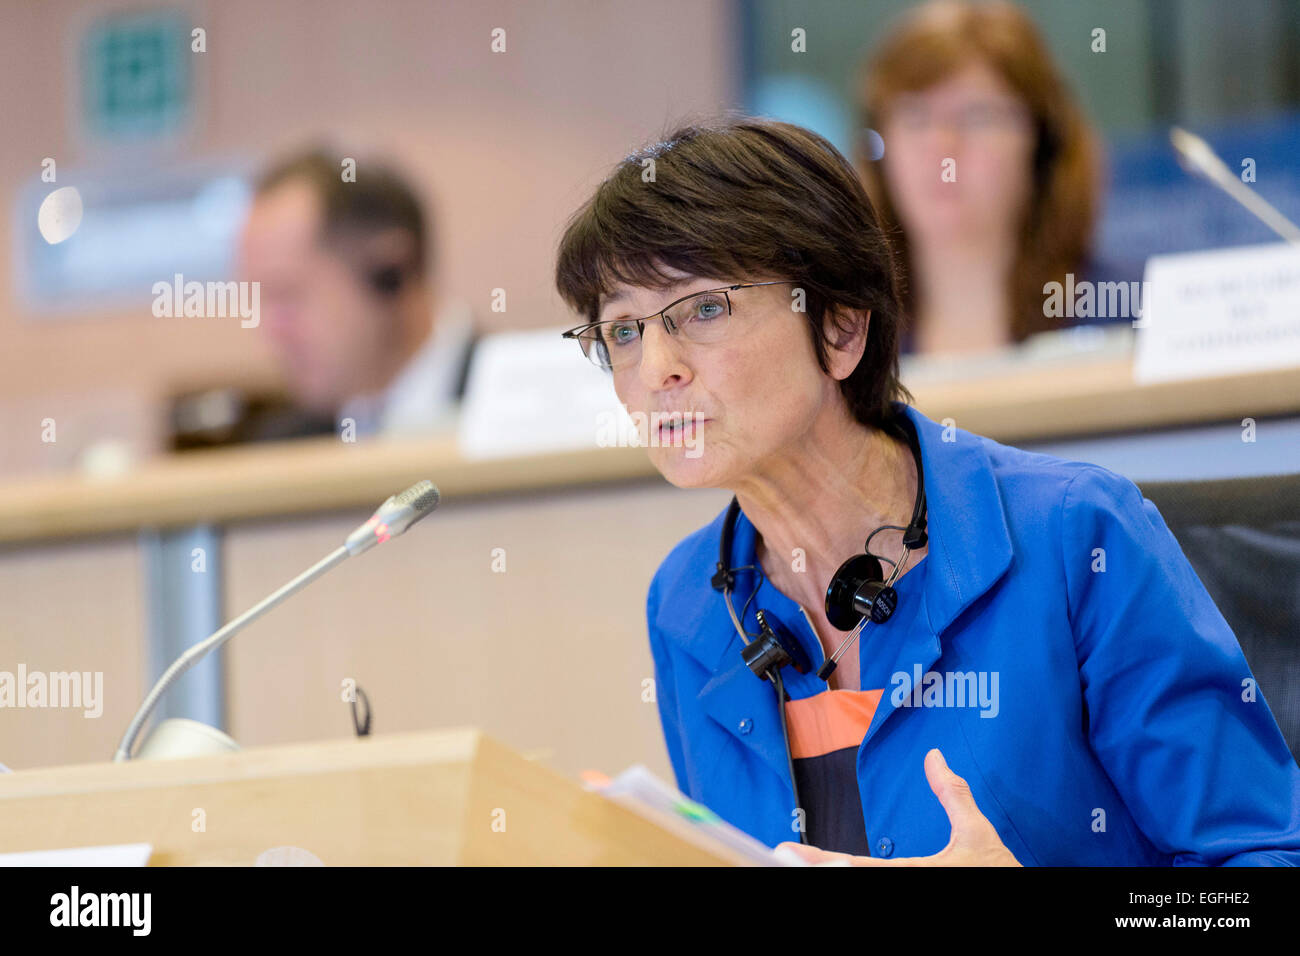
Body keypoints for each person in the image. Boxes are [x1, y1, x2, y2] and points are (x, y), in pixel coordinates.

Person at [554, 117, 1300, 865]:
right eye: (622, 331)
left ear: (843, 327)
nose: (656, 371)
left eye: (704, 309)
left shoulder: (1075, 536)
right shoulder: (688, 604)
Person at [856, 0, 1131, 355]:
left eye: (977, 115)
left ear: (1044, 144)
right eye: (915, 117)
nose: (941, 146)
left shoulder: (1131, 309)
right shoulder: (847, 336)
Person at [233, 148, 476, 441]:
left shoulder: (524, 405)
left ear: (390, 272)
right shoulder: (285, 449)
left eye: (289, 294)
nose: (271, 330)